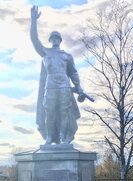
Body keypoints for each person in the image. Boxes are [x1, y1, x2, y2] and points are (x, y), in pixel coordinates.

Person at [30, 5, 83, 145]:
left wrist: (78, 86)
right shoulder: (45, 53)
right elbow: (34, 40)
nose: (54, 40)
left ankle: (63, 138)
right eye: (52, 38)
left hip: (64, 87)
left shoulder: (67, 56)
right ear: (50, 40)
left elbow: (73, 73)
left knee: (63, 113)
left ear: (60, 40)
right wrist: (33, 21)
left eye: (56, 38)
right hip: (51, 87)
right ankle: (49, 137)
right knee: (49, 113)